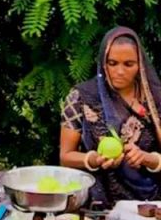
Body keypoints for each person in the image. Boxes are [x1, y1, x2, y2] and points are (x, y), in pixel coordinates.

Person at [60, 26, 161, 206]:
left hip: (149, 207)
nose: (120, 71)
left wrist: (147, 158)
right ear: (103, 63)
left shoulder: (155, 101)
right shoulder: (81, 97)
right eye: (112, 63)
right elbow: (66, 156)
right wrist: (92, 159)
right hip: (96, 203)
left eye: (129, 64)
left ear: (140, 65)